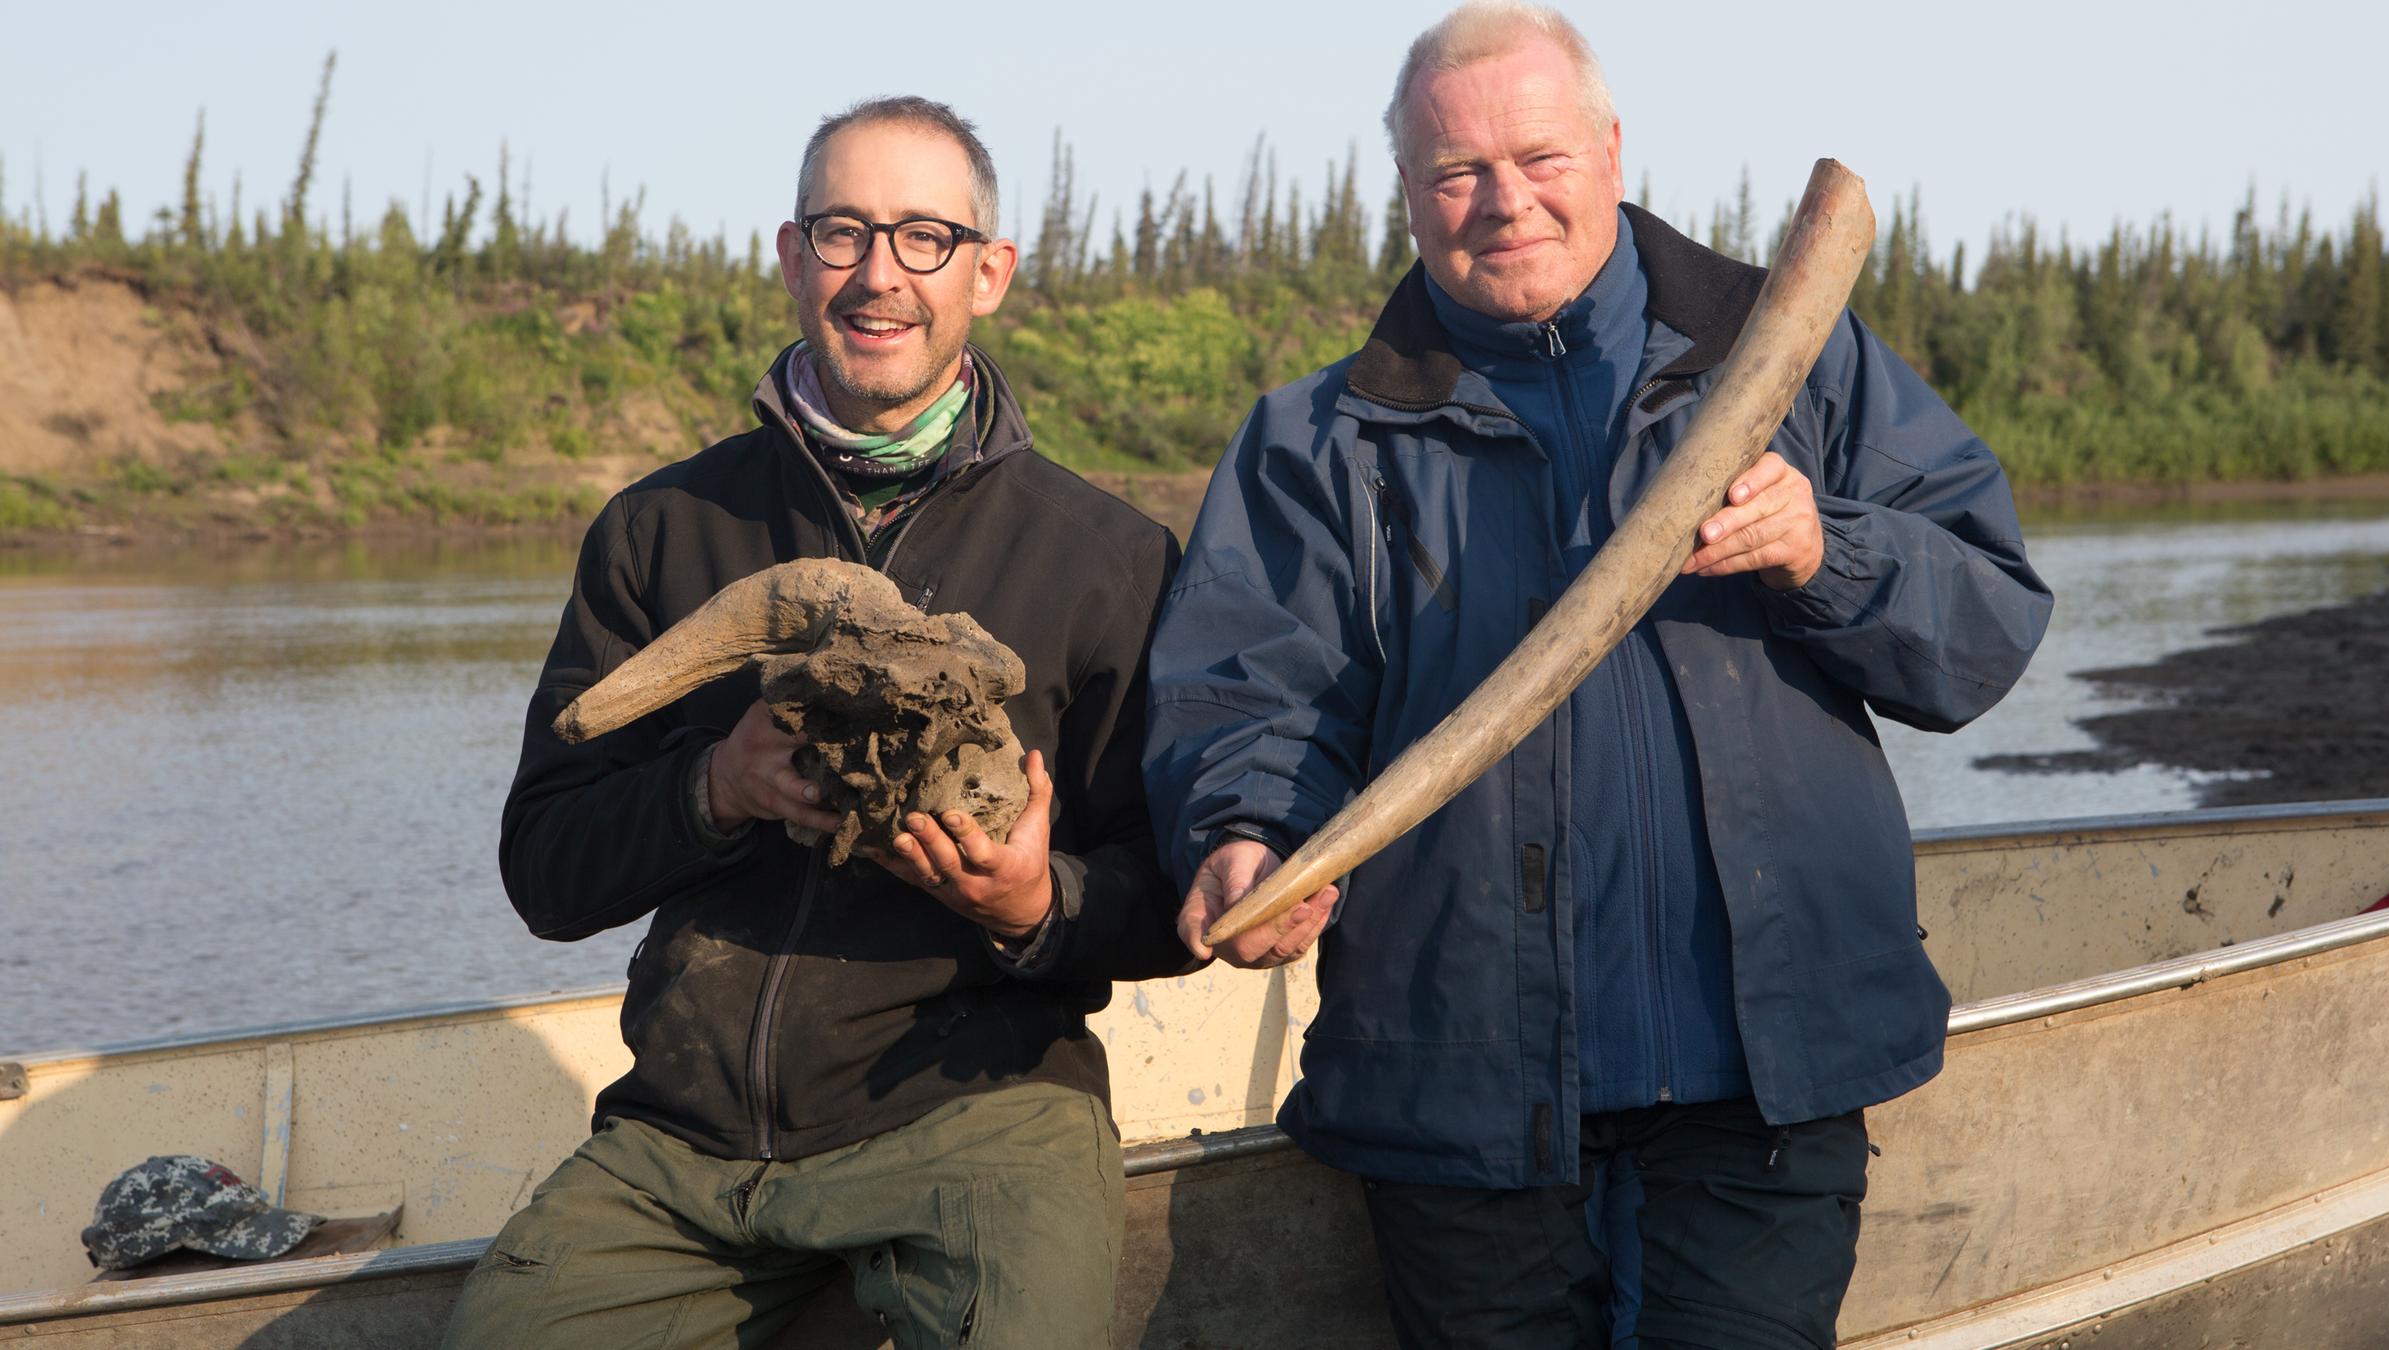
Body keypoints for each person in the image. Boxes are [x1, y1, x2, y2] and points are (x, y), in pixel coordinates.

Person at [1144, 4, 2053, 1347]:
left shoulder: (1793, 357)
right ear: (1407, 195)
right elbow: (1249, 698)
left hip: (1763, 1081)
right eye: (1456, 173)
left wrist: (1825, 549)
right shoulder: (1317, 443)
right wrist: (1243, 836)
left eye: (1541, 157)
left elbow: (1983, 627)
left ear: (1613, 151)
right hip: (1456, 1096)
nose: (1504, 201)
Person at [443, 96, 1187, 1350]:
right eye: (842, 234)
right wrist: (714, 792)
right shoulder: (662, 530)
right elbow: (545, 871)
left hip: (983, 1113)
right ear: (791, 259)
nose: (878, 275)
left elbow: (1175, 904)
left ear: (989, 274)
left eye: (923, 238)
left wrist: (1030, 904)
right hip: (687, 1137)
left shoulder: (1109, 559)